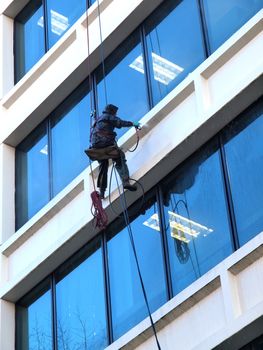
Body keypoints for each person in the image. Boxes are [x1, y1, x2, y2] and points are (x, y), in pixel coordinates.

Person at [89, 104, 140, 199]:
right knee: (120, 156)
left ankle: (102, 192)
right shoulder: (108, 116)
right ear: (112, 111)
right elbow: (119, 122)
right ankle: (125, 181)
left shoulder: (97, 120)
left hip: (96, 147)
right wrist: (133, 123)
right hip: (105, 143)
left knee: (103, 166)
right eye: (115, 112)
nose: (116, 114)